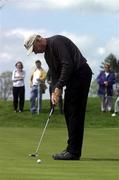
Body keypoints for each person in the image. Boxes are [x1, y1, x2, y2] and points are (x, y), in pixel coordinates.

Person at [24, 34, 92, 160]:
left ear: (38, 40)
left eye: (34, 49)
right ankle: (72, 149)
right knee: (69, 111)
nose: (35, 53)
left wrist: (59, 86)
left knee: (74, 112)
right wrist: (53, 93)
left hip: (80, 74)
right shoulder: (47, 54)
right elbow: (55, 74)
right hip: (74, 78)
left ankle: (73, 151)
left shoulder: (57, 42)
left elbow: (68, 65)